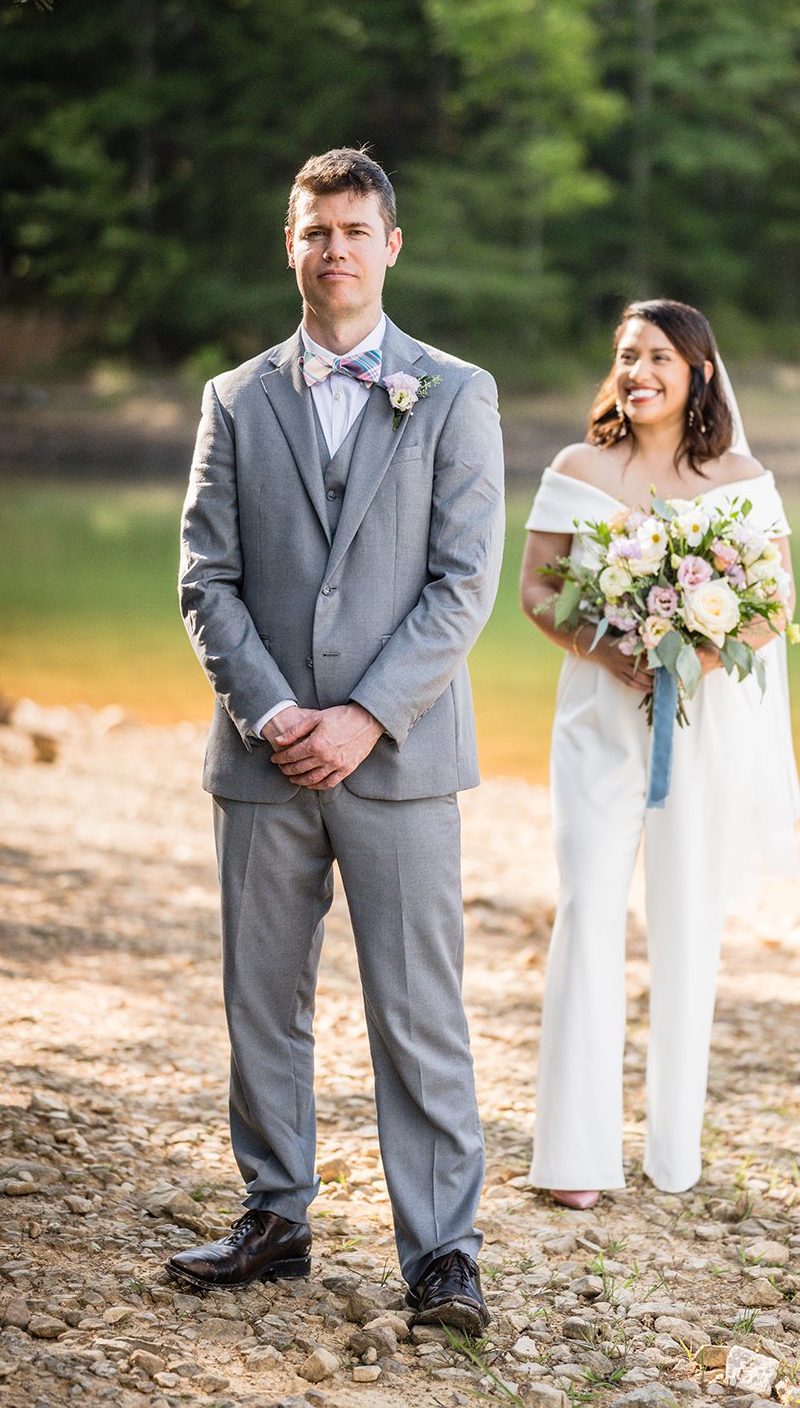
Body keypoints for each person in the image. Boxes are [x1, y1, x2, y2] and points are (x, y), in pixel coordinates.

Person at [172, 147, 504, 1333]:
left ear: (391, 246)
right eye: (317, 231)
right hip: (261, 758)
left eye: (356, 231)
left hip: (400, 758)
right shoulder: (234, 398)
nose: (336, 251)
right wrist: (269, 713)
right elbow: (206, 580)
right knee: (262, 998)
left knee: (417, 1007)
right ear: (291, 243)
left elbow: (464, 585)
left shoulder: (455, 392)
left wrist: (364, 717)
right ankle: (275, 1214)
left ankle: (443, 1254)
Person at [519, 299, 800, 1207]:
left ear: (699, 373)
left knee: (687, 927)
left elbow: (774, 602)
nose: (638, 372)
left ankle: (672, 1151)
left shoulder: (743, 480)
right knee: (588, 908)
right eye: (627, 356)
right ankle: (574, 1159)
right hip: (599, 722)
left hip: (702, 727)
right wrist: (619, 654)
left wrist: (701, 650)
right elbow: (536, 589)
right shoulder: (577, 467)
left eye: (659, 359)